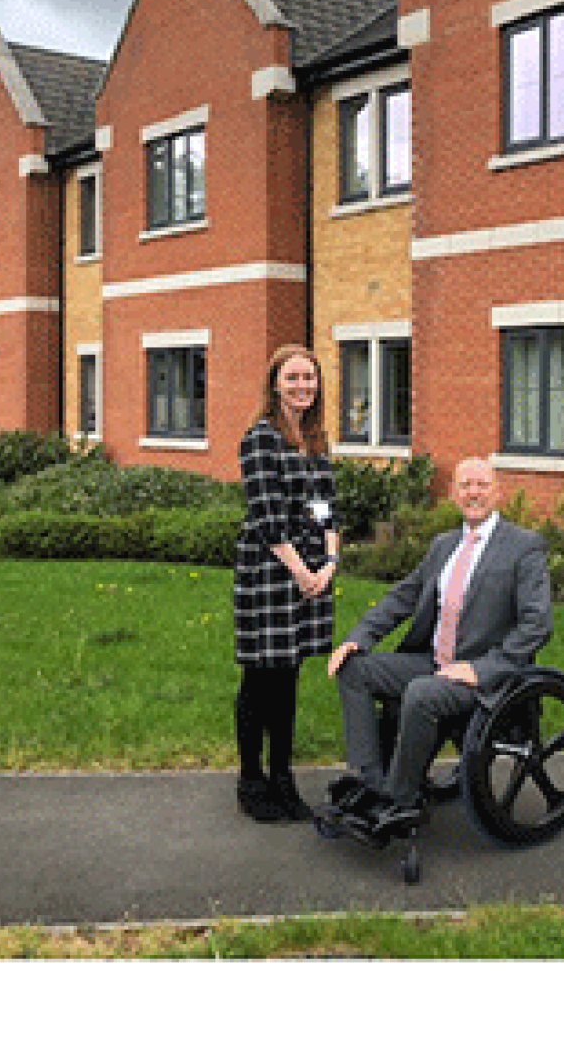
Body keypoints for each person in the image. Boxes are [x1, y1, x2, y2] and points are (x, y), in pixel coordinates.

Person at [327, 458, 553, 836]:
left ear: (497, 491)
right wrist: (357, 638)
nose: (473, 493)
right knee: (354, 669)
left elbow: (537, 625)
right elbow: (405, 596)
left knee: (421, 693)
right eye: (465, 486)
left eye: (481, 485)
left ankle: (399, 800)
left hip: (485, 677)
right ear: (453, 494)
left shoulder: (523, 547)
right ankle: (370, 781)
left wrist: (480, 669)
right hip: (436, 663)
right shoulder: (444, 545)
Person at [234, 345, 340, 824]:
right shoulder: (260, 439)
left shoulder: (315, 442)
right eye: (293, 378)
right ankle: (251, 780)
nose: (302, 386)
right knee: (260, 678)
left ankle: (283, 777)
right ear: (275, 383)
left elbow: (326, 508)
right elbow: (268, 516)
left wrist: (331, 561)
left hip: (311, 570)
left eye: (309, 378)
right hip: (270, 571)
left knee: (289, 678)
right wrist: (301, 571)